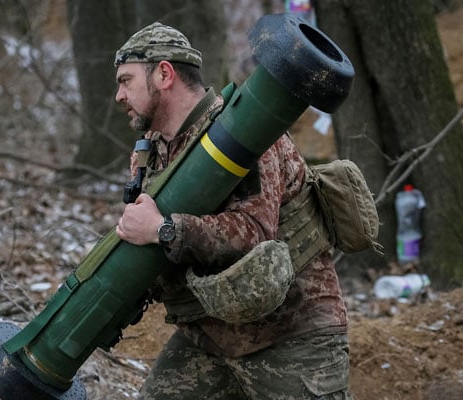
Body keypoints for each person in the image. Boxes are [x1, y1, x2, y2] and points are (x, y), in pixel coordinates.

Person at [113, 22, 353, 400]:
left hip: (292, 333)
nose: (118, 95)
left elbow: (254, 233)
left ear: (163, 74)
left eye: (126, 81)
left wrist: (165, 230)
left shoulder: (246, 131)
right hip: (208, 337)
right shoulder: (148, 154)